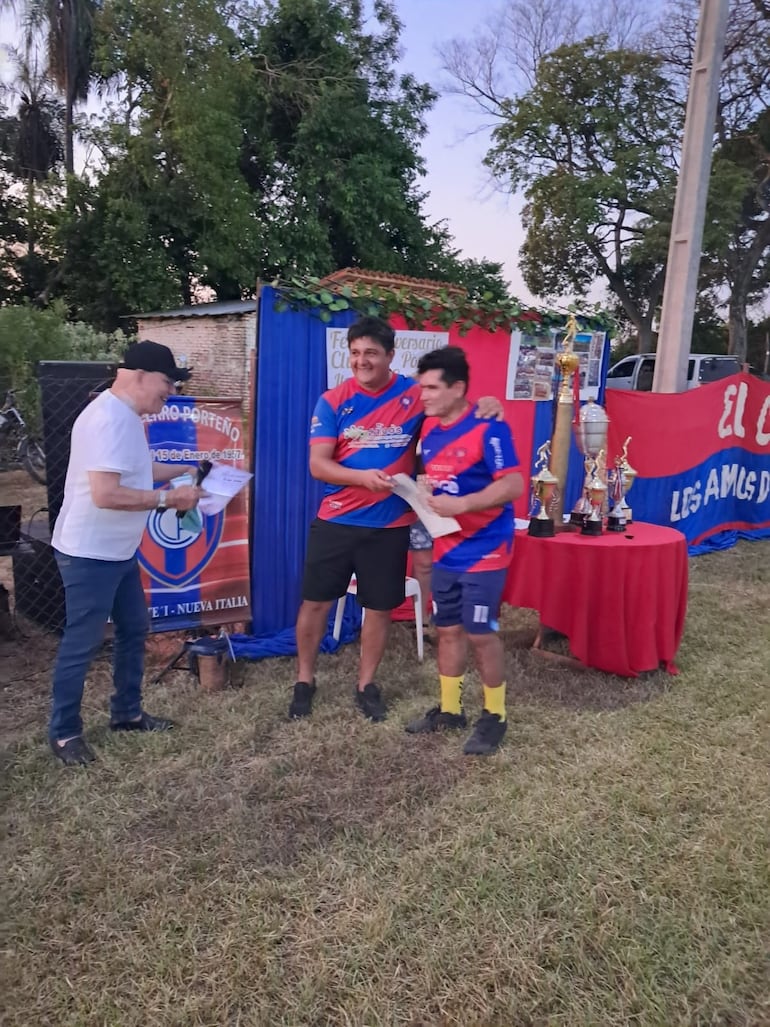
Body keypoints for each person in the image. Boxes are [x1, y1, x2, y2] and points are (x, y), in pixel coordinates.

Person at [289, 316, 502, 724]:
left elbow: (453, 411)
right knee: (315, 603)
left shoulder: (411, 393)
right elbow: (318, 465)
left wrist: (488, 404)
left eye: (370, 353)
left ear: (390, 355)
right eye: (354, 353)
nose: (361, 361)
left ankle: (367, 684)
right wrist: (361, 478)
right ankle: (304, 680)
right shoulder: (332, 400)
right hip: (335, 520)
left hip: (389, 525)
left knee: (380, 608)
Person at [48, 340, 206, 766]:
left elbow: (138, 469)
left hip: (118, 552)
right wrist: (169, 501)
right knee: (82, 643)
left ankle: (127, 713)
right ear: (139, 376)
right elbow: (105, 493)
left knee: (134, 628)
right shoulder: (109, 419)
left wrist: (186, 466)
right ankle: (64, 733)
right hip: (89, 553)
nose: (170, 392)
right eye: (167, 383)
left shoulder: (126, 416)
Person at [406, 345, 524, 755]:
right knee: (447, 630)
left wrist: (463, 505)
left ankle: (495, 716)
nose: (424, 396)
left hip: (485, 549)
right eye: (422, 388)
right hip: (446, 549)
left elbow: (512, 485)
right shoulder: (430, 429)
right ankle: (450, 709)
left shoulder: (490, 426)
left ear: (458, 388)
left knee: (481, 632)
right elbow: (435, 474)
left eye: (432, 388)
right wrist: (424, 488)